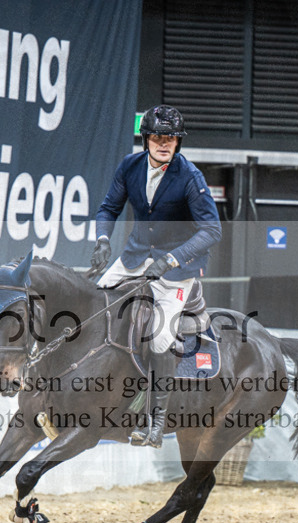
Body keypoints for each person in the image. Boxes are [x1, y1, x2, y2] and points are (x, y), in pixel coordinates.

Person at [90, 104, 222, 448]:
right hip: (133, 257)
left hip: (176, 270)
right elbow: (108, 208)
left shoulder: (190, 177)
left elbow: (212, 230)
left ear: (177, 142)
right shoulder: (129, 166)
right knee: (92, 305)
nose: (165, 144)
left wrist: (173, 259)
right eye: (159, 137)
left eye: (172, 138)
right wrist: (103, 240)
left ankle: (155, 423)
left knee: (161, 337)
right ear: (147, 139)